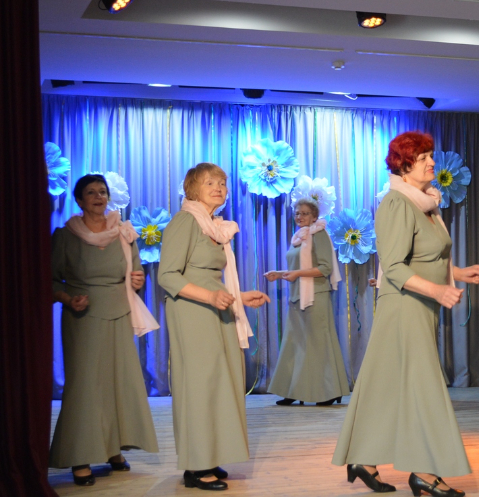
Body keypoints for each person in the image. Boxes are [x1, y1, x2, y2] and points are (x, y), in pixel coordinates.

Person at [333, 131, 479, 496]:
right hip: (404, 306)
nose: (432, 162)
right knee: (423, 388)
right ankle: (424, 470)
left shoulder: (424, 204)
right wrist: (438, 289)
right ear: (404, 165)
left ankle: (363, 458)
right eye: (423, 158)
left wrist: (459, 273)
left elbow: (427, 258)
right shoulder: (397, 203)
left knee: (389, 384)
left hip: (419, 306)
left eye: (431, 156)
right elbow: (394, 266)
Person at [158, 163, 269, 491]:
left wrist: (239, 297)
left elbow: (211, 278)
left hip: (216, 309)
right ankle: (195, 466)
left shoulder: (214, 226)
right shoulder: (185, 221)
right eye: (210, 183)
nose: (219, 188)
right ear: (192, 188)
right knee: (199, 386)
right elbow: (167, 276)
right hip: (192, 312)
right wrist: (210, 296)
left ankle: (208, 456)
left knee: (218, 384)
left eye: (222, 183)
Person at [50, 174, 159, 486]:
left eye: (102, 192)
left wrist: (137, 281)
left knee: (118, 383)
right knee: (85, 387)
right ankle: (80, 456)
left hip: (119, 313)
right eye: (91, 192)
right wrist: (68, 299)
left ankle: (113, 449)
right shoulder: (66, 236)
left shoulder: (124, 233)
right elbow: (50, 280)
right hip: (83, 318)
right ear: (79, 200)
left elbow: (135, 274)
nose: (98, 197)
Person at [264, 197, 350, 406]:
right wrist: (280, 273)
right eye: (297, 213)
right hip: (297, 295)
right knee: (294, 344)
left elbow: (325, 268)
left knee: (318, 344)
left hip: (316, 296)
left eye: (304, 213)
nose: (299, 216)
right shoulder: (299, 237)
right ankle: (294, 390)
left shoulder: (318, 234)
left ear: (314, 216)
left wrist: (296, 274)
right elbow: (298, 268)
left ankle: (329, 391)